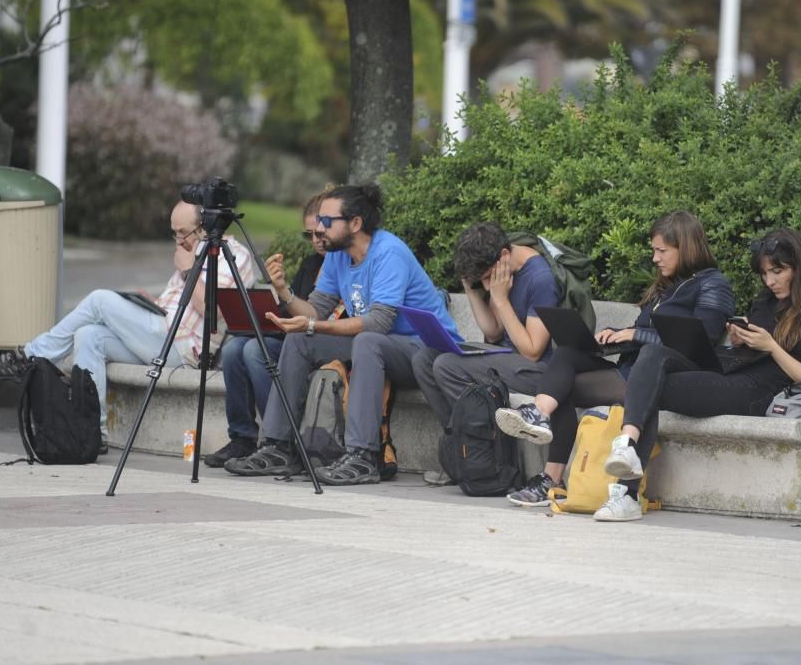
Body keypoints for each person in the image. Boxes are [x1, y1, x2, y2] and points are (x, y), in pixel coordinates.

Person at [594, 227, 801, 522]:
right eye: (764, 274)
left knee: (651, 387)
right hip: (730, 372)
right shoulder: (766, 302)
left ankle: (626, 494)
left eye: (778, 271)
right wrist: (740, 338)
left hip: (759, 392)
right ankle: (627, 447)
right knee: (652, 354)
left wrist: (772, 347)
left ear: (799, 267)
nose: (770, 281)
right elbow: (754, 344)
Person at [0, 201, 257, 453]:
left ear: (205, 226)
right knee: (89, 335)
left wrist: (187, 270)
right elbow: (179, 307)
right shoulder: (193, 249)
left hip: (184, 350)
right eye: (174, 232)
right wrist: (151, 304)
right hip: (161, 332)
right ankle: (94, 433)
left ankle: (30, 356)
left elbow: (213, 315)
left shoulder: (234, 256)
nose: (178, 240)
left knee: (99, 300)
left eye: (183, 233)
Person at [494, 211, 734, 506]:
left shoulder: (713, 284)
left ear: (687, 248)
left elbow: (701, 343)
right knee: (567, 357)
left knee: (569, 383)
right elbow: (646, 331)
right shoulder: (666, 288)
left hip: (666, 377)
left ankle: (551, 469)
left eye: (661, 251)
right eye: (653, 250)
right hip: (631, 369)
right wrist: (613, 336)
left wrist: (635, 335)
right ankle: (543, 436)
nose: (655, 259)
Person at [223, 184, 458, 485]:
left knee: (367, 341)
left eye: (327, 221)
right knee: (299, 340)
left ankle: (364, 456)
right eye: (319, 220)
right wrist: (282, 291)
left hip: (425, 350)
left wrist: (313, 326)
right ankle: (279, 446)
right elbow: (316, 310)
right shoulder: (338, 255)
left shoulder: (389, 253)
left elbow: (378, 323)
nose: (318, 229)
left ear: (355, 223)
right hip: (376, 348)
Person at [411, 222, 560, 485]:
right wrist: (471, 289)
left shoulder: (540, 279)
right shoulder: (501, 270)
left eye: (487, 276)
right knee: (425, 359)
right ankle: (463, 448)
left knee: (447, 366)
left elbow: (533, 351)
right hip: (506, 359)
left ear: (503, 255)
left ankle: (482, 452)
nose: (486, 283)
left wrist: (500, 299)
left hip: (539, 373)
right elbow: (493, 332)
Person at [203, 193, 332, 468]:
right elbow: (288, 310)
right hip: (290, 336)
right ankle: (243, 437)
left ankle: (278, 440)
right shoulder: (310, 265)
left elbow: (325, 314)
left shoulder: (339, 264)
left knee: (253, 350)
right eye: (308, 234)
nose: (315, 241)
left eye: (320, 233)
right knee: (235, 348)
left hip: (317, 341)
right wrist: (273, 299)